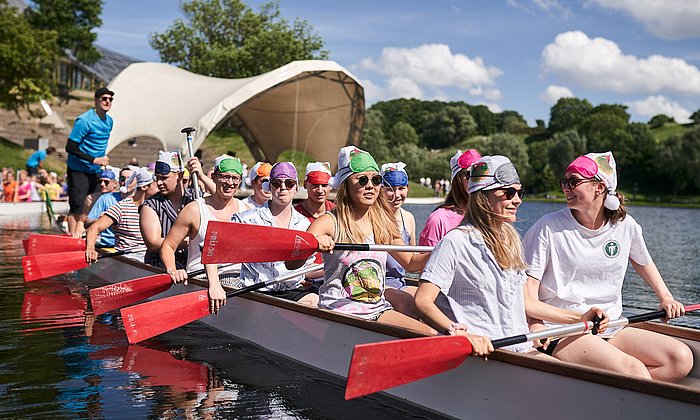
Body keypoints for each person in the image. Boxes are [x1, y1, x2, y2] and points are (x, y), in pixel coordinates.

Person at [522, 151, 693, 381]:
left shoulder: (626, 226)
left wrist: (666, 297)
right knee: (634, 372)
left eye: (573, 181)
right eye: (564, 181)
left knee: (680, 359)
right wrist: (536, 325)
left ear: (599, 187)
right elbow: (527, 293)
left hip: (611, 327)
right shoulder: (547, 227)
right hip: (562, 330)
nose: (566, 188)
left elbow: (644, 262)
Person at [415, 155, 569, 357]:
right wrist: (459, 333)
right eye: (509, 192)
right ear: (483, 196)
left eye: (519, 192)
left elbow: (527, 304)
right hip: (483, 354)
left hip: (520, 349)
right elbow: (422, 301)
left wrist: (579, 317)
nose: (518, 200)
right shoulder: (455, 242)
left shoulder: (511, 242)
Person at [287, 146, 435, 334]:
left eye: (376, 180)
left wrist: (441, 250)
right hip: (339, 310)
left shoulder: (383, 223)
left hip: (377, 309)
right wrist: (313, 245)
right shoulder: (328, 222)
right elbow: (291, 264)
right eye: (362, 180)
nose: (370, 186)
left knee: (429, 333)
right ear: (346, 185)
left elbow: (412, 264)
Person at [208, 162, 318, 313]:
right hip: (256, 293)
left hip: (292, 291)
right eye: (277, 183)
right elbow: (211, 250)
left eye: (289, 183)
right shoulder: (247, 219)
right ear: (269, 186)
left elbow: (308, 268)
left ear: (296, 187)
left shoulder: (305, 224)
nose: (283, 188)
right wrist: (214, 285)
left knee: (318, 302)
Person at [161, 155, 251, 292]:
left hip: (238, 278)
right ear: (214, 177)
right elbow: (168, 245)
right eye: (225, 177)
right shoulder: (194, 210)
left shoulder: (247, 210)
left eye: (235, 178)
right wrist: (173, 270)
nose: (230, 182)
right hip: (201, 278)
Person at [65, 87, 114, 237]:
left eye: (110, 99)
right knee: (78, 205)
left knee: (93, 203)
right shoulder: (84, 120)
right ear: (96, 100)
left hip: (95, 169)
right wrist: (95, 159)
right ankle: (73, 239)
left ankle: (87, 235)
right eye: (104, 98)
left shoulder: (109, 121)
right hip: (78, 168)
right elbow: (70, 147)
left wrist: (102, 161)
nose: (107, 101)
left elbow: (99, 145)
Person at [85, 167, 158, 263]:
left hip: (150, 260)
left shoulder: (157, 207)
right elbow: (93, 228)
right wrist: (90, 249)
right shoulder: (122, 207)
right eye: (156, 183)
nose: (160, 184)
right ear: (144, 187)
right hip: (129, 261)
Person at [140, 151, 194, 269]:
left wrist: (202, 176)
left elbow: (221, 200)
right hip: (160, 267)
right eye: (157, 178)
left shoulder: (196, 199)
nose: (159, 183)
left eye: (164, 178)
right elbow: (153, 243)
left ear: (179, 176)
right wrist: (192, 241)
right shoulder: (151, 205)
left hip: (192, 267)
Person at [379, 162, 419, 317]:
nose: (396, 195)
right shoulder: (376, 218)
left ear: (407, 188)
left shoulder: (409, 218)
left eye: (401, 188)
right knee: (407, 302)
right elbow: (410, 263)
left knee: (436, 300)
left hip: (400, 282)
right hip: (380, 284)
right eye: (390, 189)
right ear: (381, 190)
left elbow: (413, 260)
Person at [419, 149, 481, 247]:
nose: (476, 180)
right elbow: (426, 260)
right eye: (470, 174)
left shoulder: (489, 216)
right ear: (457, 180)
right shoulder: (439, 220)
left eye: (480, 174)